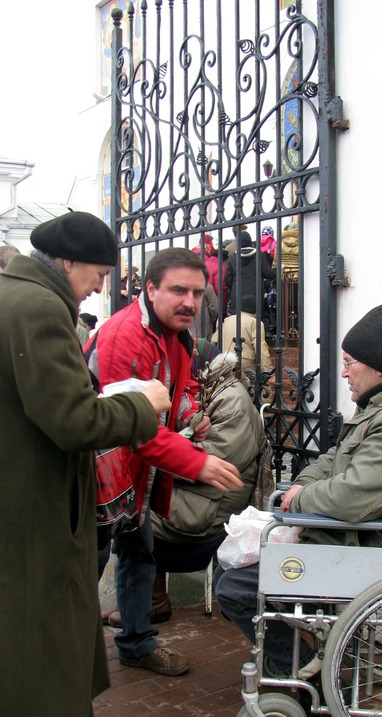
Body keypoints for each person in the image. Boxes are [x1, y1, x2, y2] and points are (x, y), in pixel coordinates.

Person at [0, 211, 171, 717]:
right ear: (67, 261)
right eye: (97, 274)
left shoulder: (7, 298)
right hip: (21, 506)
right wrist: (145, 403)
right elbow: (72, 421)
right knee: (26, 628)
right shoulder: (37, 308)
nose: (100, 287)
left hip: (5, 495)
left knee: (15, 625)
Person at [214, 303, 382, 680]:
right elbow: (333, 458)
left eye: (350, 362)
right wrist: (303, 484)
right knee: (231, 567)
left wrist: (298, 499)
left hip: (370, 549)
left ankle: (306, 679)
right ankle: (307, 656)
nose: (344, 372)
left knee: (237, 586)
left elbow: (353, 497)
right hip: (354, 538)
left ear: (378, 366)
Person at [94, 247, 243, 676]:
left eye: (198, 292)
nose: (190, 302)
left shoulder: (175, 334)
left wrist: (191, 415)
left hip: (137, 475)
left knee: (140, 554)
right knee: (87, 566)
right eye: (179, 290)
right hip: (100, 476)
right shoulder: (126, 333)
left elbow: (178, 386)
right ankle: (69, 659)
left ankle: (137, 643)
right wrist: (195, 464)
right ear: (151, 288)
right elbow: (126, 424)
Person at [149, 339, 268, 621]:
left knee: (138, 520)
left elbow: (214, 462)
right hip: (204, 497)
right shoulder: (211, 391)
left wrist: (157, 462)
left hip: (213, 509)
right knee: (133, 510)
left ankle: (151, 603)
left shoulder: (230, 401)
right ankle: (146, 600)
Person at [212, 294, 273, 374]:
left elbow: (213, 341)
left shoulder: (227, 320)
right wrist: (268, 370)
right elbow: (260, 348)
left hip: (225, 362)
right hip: (246, 364)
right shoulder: (255, 323)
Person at [224, 231, 273, 317]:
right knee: (255, 323)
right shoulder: (259, 255)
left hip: (237, 294)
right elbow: (267, 273)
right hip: (255, 293)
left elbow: (227, 278)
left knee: (239, 323)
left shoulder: (232, 258)